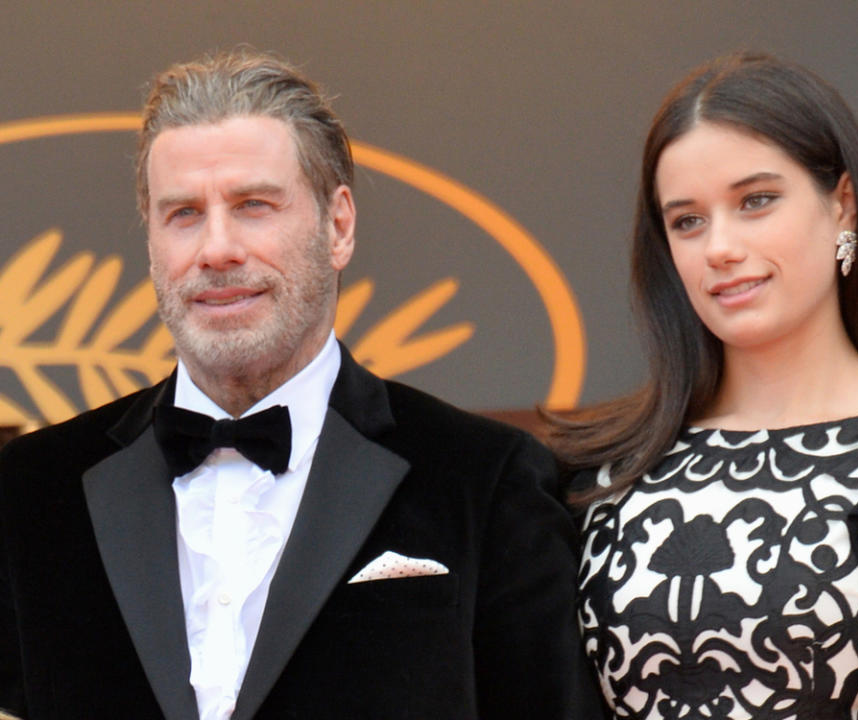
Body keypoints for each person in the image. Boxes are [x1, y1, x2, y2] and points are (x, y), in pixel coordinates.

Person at [0, 49, 603, 720]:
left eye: (254, 206)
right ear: (151, 243)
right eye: (183, 214)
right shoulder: (31, 490)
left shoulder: (482, 479)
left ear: (337, 225)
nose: (217, 248)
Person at [550, 52, 858, 719]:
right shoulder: (600, 473)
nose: (719, 247)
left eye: (756, 201)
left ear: (843, 206)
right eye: (687, 220)